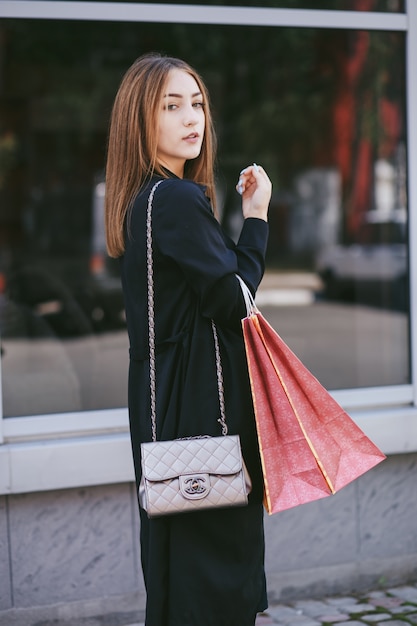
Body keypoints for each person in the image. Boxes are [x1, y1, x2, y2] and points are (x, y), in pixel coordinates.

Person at [105, 53, 272, 626]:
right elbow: (235, 302)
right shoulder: (176, 200)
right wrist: (256, 220)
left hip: (166, 417)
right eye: (171, 106)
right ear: (140, 121)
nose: (190, 118)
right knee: (217, 583)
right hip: (205, 417)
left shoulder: (144, 202)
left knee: (183, 580)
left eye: (196, 103)